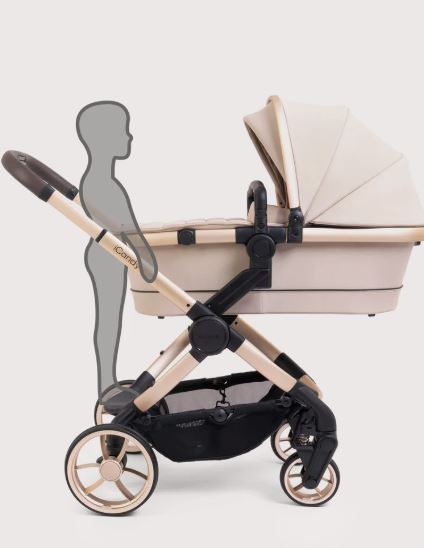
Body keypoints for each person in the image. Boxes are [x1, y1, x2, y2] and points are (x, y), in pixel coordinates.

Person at [76, 101, 157, 401]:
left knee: (109, 321)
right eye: (123, 131)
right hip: (107, 256)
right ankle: (106, 384)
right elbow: (131, 231)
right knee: (109, 322)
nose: (129, 137)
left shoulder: (97, 181)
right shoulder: (104, 185)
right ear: (103, 138)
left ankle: (107, 381)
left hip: (107, 254)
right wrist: (149, 264)